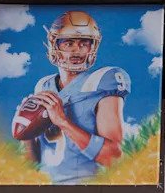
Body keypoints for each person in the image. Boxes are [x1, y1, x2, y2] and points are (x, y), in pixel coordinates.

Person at [19, 10, 129, 183]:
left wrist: (63, 121)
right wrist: (27, 134)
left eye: (84, 43)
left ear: (93, 46)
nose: (77, 51)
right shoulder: (43, 86)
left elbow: (113, 158)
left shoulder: (102, 80)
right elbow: (33, 163)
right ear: (55, 45)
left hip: (90, 188)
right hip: (46, 188)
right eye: (68, 43)